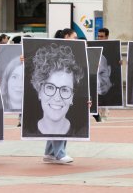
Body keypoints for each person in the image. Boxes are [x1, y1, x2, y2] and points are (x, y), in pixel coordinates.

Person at [40, 28, 78, 164]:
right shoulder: (55, 51)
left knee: (58, 117)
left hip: (62, 90)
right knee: (57, 118)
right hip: (56, 91)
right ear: (67, 36)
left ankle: (50, 152)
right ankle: (59, 153)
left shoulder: (69, 53)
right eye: (75, 37)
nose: (77, 40)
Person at [31, 43, 84, 135]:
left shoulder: (81, 132)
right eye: (50, 87)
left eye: (64, 90)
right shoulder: (28, 132)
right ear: (39, 91)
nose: (57, 97)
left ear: (72, 97)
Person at [93, 27, 111, 122]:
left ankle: (104, 113)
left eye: (102, 36)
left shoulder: (112, 47)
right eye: (98, 36)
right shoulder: (94, 46)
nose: (99, 38)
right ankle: (98, 113)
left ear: (107, 36)